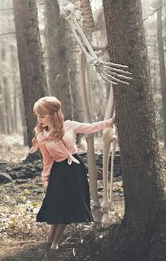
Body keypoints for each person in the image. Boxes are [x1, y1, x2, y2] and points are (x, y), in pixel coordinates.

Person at [30, 96, 115, 250]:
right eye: (38, 116)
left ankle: (56, 242)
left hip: (75, 169)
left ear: (53, 114)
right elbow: (47, 161)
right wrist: (46, 180)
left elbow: (90, 127)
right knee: (56, 205)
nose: (40, 120)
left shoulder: (69, 126)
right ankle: (50, 239)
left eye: (42, 116)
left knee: (68, 206)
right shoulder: (41, 136)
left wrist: (110, 122)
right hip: (58, 171)